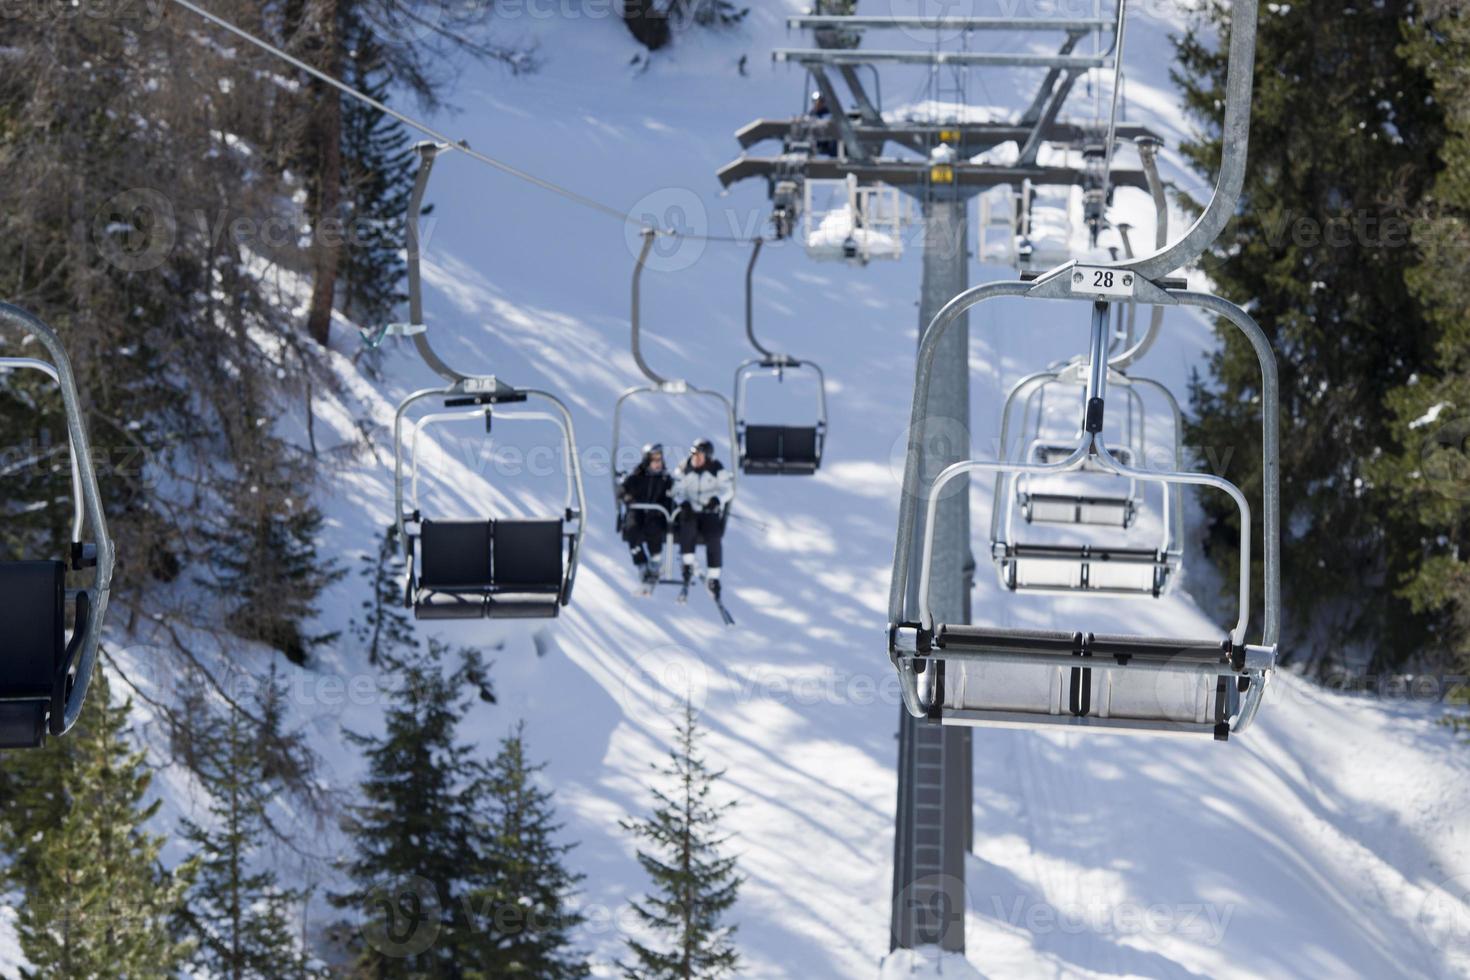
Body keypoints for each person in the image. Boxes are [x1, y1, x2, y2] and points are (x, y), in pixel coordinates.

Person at [673, 438, 735, 597]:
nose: (696, 458)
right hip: (690, 510)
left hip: (708, 511)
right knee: (688, 528)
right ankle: (687, 565)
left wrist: (717, 500)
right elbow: (675, 489)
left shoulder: (716, 469)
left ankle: (713, 577)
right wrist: (683, 502)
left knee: (714, 536)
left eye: (700, 455)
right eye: (694, 454)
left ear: (707, 456)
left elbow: (728, 490)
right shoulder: (684, 467)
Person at [620, 443, 674, 584]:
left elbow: (671, 497)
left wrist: (666, 506)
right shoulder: (637, 477)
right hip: (637, 511)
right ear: (646, 461)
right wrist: (627, 497)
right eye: (654, 460)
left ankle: (655, 560)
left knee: (654, 528)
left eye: (659, 460)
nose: (657, 464)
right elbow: (624, 489)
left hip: (656, 513)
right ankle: (641, 563)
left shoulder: (665, 479)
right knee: (632, 529)